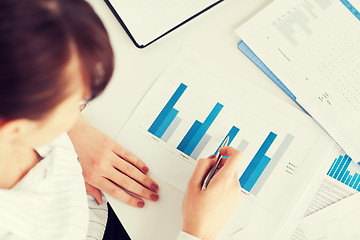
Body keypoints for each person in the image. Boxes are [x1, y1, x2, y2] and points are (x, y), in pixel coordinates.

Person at [0, 0, 243, 239]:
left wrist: (73, 132)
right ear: (16, 129)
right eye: (73, 102)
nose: (79, 109)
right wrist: (199, 229)